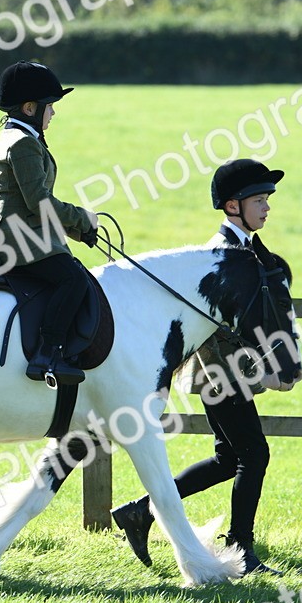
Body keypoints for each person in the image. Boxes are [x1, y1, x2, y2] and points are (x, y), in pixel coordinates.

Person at [110, 158, 285, 575]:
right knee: (254, 454)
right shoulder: (220, 257)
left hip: (225, 372)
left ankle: (140, 511)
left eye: (267, 200)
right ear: (232, 206)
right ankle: (241, 548)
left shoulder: (246, 252)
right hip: (220, 372)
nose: (267, 207)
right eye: (259, 200)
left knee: (229, 458)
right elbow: (218, 326)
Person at [0, 61, 99, 386]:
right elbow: (40, 202)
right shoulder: (22, 143)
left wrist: (78, 231)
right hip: (16, 237)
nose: (53, 113)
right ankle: (47, 354)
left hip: (25, 231)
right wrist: (82, 218)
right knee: (73, 279)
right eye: (50, 106)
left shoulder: (19, 136)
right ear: (30, 107)